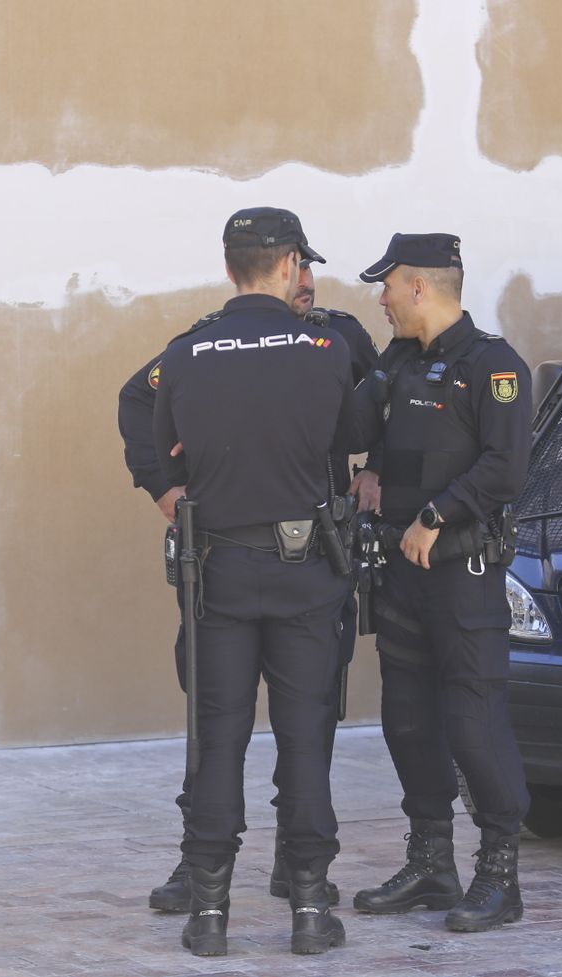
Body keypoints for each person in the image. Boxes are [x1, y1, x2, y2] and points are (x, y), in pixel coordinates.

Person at [117, 246, 378, 914]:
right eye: (302, 269)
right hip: (247, 561)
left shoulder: (334, 339)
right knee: (233, 725)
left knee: (283, 725)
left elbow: (378, 411)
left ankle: (272, 875)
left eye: (313, 274)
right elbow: (138, 397)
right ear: (286, 265)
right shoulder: (227, 344)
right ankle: (224, 874)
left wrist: (372, 470)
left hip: (290, 558)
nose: (306, 283)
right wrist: (163, 487)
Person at [341, 233, 533, 932]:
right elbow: (358, 429)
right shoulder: (397, 362)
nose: (381, 299)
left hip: (461, 575)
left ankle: (500, 876)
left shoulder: (494, 366)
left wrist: (436, 514)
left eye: (387, 286)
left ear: (418, 287)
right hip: (399, 576)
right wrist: (370, 464)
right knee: (407, 722)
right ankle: (431, 864)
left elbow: (505, 468)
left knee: (473, 724)